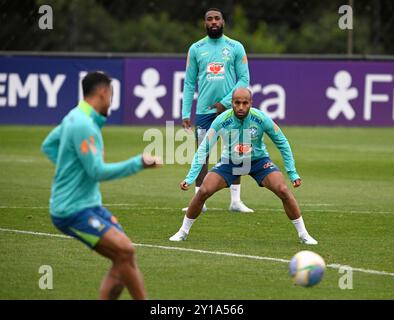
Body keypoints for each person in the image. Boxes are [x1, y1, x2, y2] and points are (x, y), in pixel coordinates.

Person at [41, 71, 161, 300]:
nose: (112, 101)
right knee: (125, 251)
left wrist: (71, 170)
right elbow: (97, 171)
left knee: (123, 256)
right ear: (103, 92)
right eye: (112, 95)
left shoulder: (74, 116)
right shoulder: (83, 124)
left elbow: (49, 145)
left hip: (89, 204)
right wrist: (139, 163)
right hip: (71, 210)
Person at [170, 87, 318, 245]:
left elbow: (282, 142)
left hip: (258, 161)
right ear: (232, 103)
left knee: (282, 189)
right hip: (230, 161)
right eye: (237, 103)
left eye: (245, 103)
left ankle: (303, 234)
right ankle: (182, 232)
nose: (241, 107)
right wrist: (190, 178)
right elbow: (204, 148)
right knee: (204, 191)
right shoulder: (221, 120)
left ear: (251, 103)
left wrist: (293, 173)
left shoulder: (260, 118)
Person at [181, 8, 253, 213]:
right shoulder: (196, 48)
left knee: (237, 150)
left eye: (217, 19)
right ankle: (198, 201)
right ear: (205, 23)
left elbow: (244, 80)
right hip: (204, 111)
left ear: (223, 22)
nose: (213, 22)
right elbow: (189, 82)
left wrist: (224, 102)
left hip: (232, 109)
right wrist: (186, 112)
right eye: (209, 19)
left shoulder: (235, 47)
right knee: (202, 153)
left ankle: (235, 200)